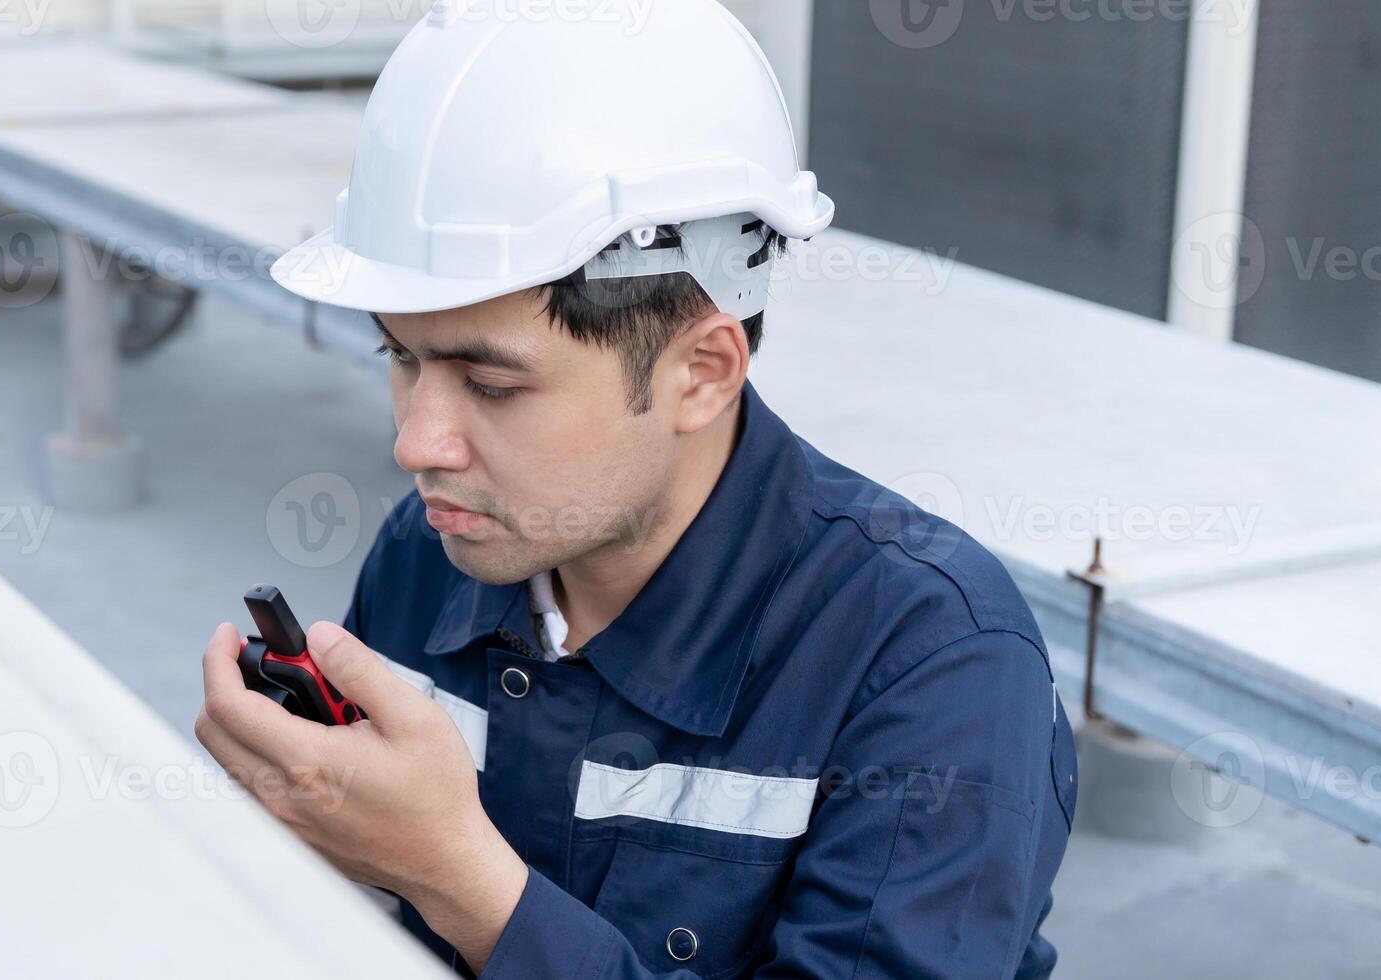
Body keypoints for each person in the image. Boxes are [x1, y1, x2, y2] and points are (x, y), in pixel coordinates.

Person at [194, 1, 1077, 976]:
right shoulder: (427, 550)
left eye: (491, 384)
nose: (416, 441)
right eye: (399, 356)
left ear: (700, 370)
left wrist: (464, 883)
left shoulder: (929, 661)